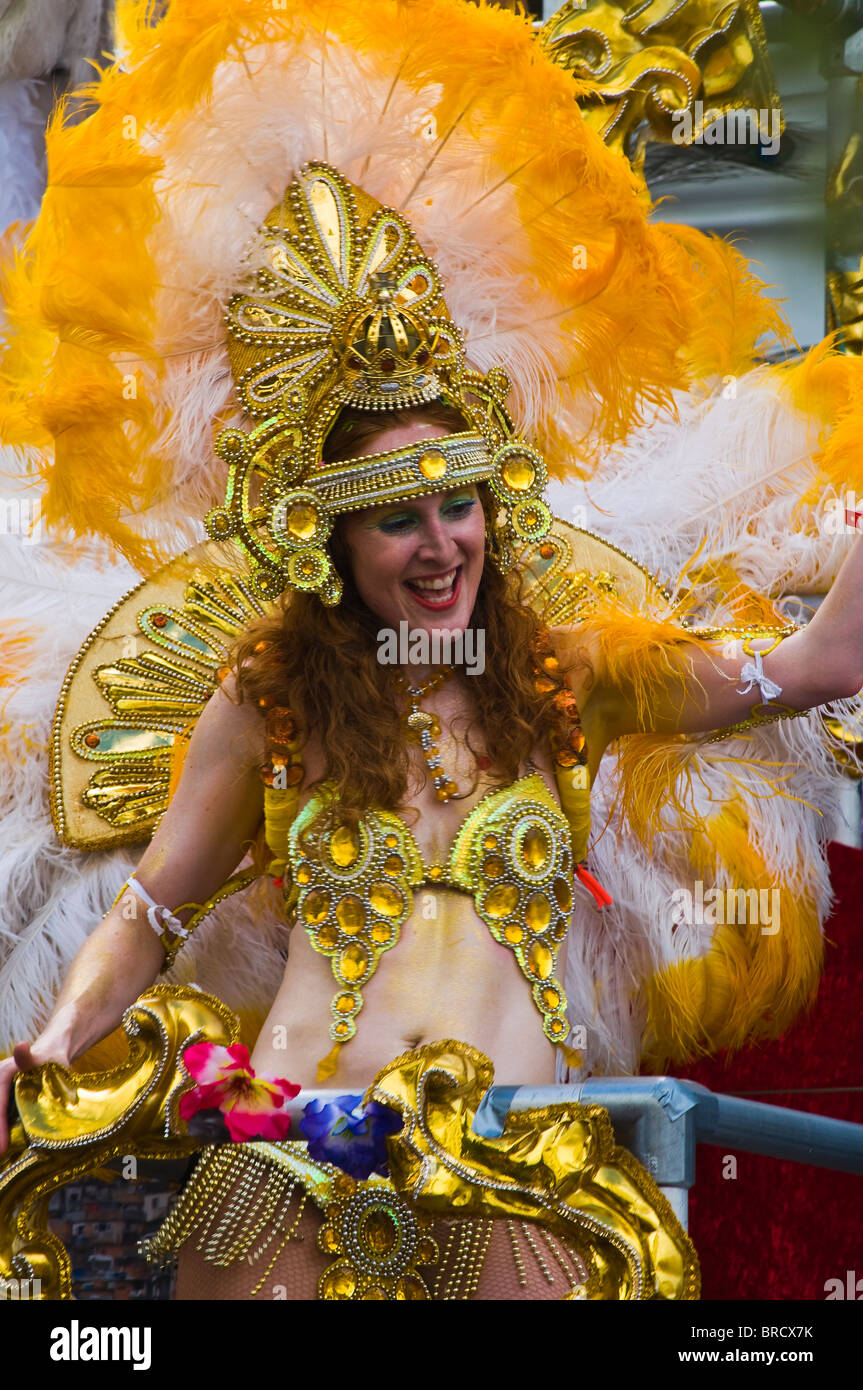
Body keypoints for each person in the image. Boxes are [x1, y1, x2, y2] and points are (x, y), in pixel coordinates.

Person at [2, 3, 863, 1303]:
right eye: (399, 517)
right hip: (291, 1157)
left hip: (517, 1162)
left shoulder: (576, 669)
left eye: (459, 505)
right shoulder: (268, 693)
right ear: (332, 545)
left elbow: (810, 668)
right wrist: (57, 1034)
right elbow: (154, 908)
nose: (441, 542)